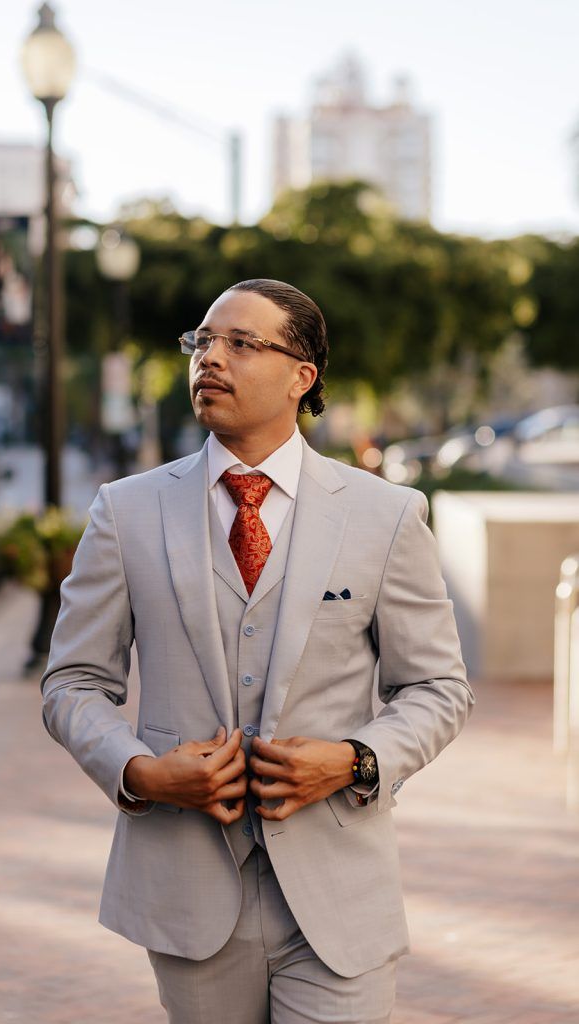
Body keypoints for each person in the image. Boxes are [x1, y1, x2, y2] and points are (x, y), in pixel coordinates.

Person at [41, 279, 474, 1024]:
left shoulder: (386, 514)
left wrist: (356, 759)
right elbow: (73, 682)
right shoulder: (126, 509)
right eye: (203, 340)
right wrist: (139, 772)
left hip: (339, 891)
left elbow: (438, 687)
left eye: (242, 343)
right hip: (188, 890)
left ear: (302, 376)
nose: (211, 358)